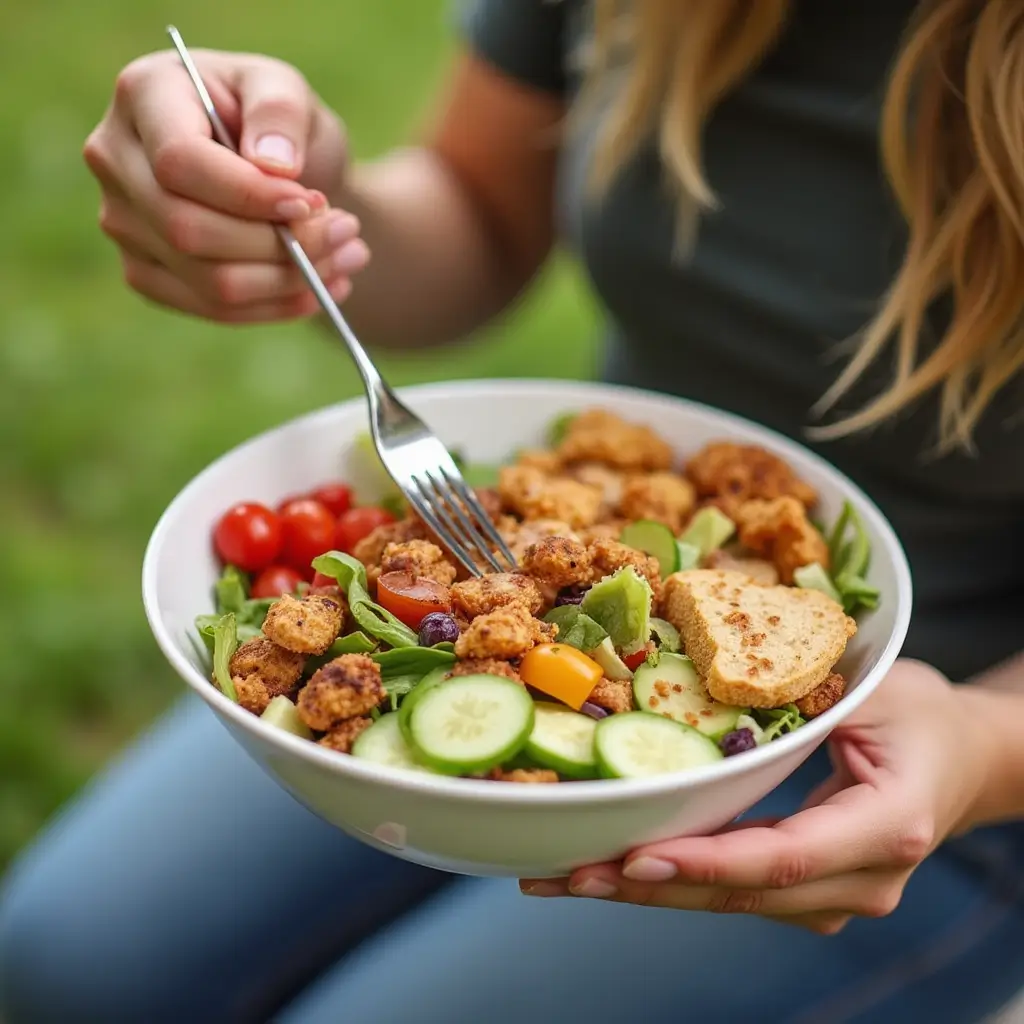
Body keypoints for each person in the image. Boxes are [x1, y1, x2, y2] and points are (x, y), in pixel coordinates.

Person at [3, 1, 1024, 1021]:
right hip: (578, 558)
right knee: (60, 966)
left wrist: (979, 746)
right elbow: (479, 209)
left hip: (949, 760)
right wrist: (305, 208)